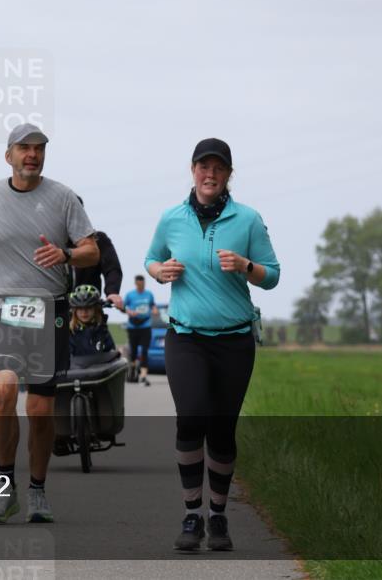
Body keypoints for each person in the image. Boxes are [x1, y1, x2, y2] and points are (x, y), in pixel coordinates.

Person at [144, 137, 279, 552]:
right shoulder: (172, 218)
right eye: (204, 167)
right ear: (193, 171)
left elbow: (272, 275)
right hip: (185, 337)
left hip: (235, 341)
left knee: (222, 430)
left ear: (228, 175)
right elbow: (150, 258)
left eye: (218, 168)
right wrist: (160, 271)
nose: (210, 174)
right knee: (191, 418)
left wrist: (246, 266)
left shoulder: (248, 220)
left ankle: (218, 516)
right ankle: (191, 513)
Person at [0, 123, 99, 524]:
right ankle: (5, 487)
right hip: (5, 307)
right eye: (24, 148)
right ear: (8, 155)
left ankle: (37, 490)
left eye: (39, 148)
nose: (33, 154)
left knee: (41, 409)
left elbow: (91, 251)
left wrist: (66, 255)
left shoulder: (62, 197)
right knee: (4, 393)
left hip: (50, 310)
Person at [72, 197, 123, 309]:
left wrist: (112, 291)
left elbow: (112, 268)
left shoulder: (99, 240)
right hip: (53, 307)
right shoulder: (51, 241)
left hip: (88, 307)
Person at [123, 274, 158, 386]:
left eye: (143, 283)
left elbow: (153, 305)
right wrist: (129, 312)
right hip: (133, 326)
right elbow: (123, 307)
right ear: (136, 283)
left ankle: (143, 376)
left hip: (145, 326)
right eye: (139, 284)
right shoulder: (130, 295)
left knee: (144, 351)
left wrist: (155, 310)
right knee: (133, 352)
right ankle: (133, 372)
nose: (141, 285)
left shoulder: (149, 294)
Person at [68, 284, 116, 358]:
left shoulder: (102, 331)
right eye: (80, 308)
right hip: (76, 369)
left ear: (95, 309)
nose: (84, 312)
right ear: (74, 311)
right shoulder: (69, 333)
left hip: (100, 369)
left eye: (88, 307)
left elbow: (112, 355)